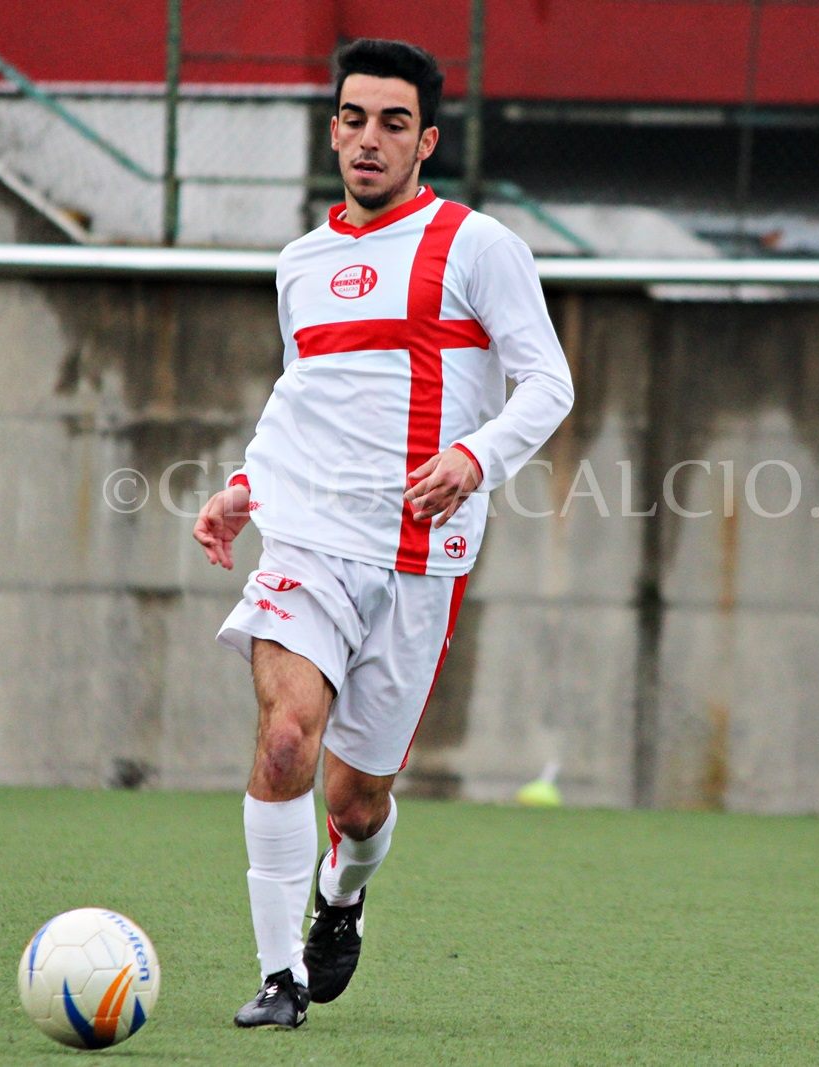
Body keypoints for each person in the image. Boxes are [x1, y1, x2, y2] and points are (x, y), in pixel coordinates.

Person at [191, 37, 574, 1030]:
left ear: (426, 140)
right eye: (354, 118)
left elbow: (550, 383)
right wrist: (243, 484)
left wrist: (476, 457)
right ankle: (279, 977)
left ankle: (344, 891)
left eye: (393, 122)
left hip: (416, 562)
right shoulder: (301, 262)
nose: (369, 139)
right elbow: (302, 395)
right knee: (284, 741)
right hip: (308, 540)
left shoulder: (477, 246)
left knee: (356, 803)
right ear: (333, 130)